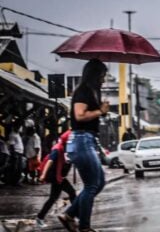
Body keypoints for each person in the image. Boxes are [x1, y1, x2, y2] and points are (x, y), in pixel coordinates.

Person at [58, 59, 110, 232]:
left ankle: (69, 214)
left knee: (99, 182)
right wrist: (100, 111)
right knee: (91, 185)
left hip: (88, 140)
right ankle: (84, 227)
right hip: (81, 140)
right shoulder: (83, 91)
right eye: (102, 75)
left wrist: (101, 109)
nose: (104, 79)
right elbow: (79, 116)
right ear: (95, 75)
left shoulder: (93, 92)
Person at [36, 130, 76, 228]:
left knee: (53, 197)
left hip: (59, 177)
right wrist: (43, 175)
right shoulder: (58, 149)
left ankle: (40, 217)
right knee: (72, 193)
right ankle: (73, 215)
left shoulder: (65, 148)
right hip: (56, 177)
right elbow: (50, 161)